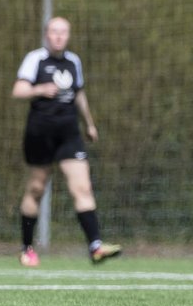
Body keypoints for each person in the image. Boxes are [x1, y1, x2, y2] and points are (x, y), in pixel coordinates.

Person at [13, 17, 121, 267]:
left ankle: (95, 246)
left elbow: (79, 94)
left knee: (82, 188)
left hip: (70, 135)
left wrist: (90, 124)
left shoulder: (74, 62)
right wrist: (39, 90)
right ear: (46, 35)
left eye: (63, 32)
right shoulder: (35, 59)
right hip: (39, 134)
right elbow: (18, 90)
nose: (59, 36)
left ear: (68, 35)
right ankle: (27, 248)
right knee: (37, 189)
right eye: (54, 32)